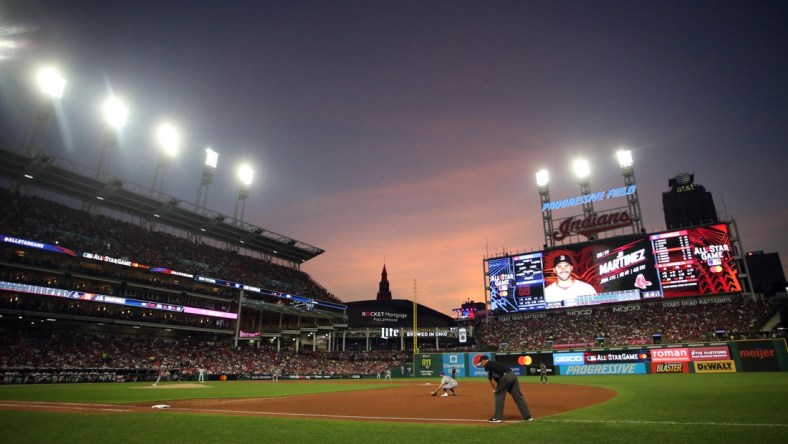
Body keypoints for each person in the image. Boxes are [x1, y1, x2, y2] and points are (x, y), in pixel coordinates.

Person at [479, 355, 534, 423]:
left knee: (498, 395)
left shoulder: (487, 365)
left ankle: (497, 417)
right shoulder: (494, 363)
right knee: (518, 397)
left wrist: (495, 389)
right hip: (513, 375)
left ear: (484, 360)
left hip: (505, 378)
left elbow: (491, 379)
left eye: (481, 362)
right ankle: (527, 416)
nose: (481, 364)